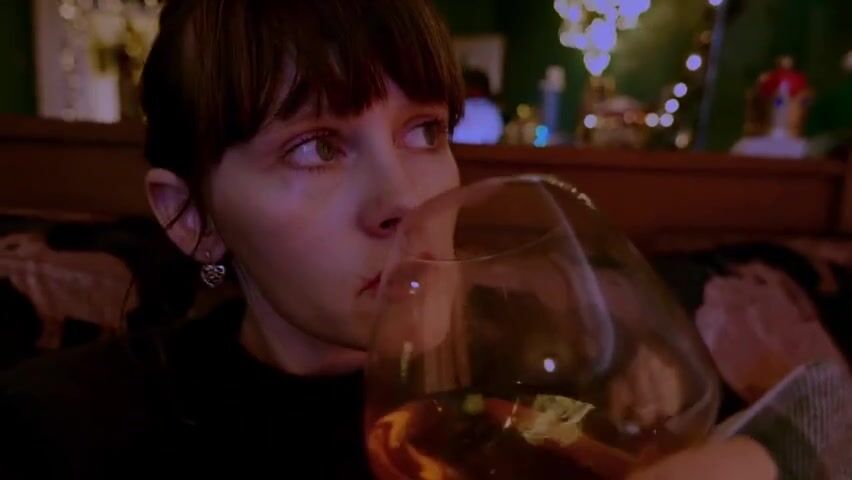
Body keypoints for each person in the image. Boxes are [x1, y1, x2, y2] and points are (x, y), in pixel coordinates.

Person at [0, 1, 778, 479]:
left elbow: (812, 416)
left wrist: (763, 457)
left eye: (425, 130)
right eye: (316, 146)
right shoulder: (70, 430)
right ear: (189, 218)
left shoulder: (547, 347)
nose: (408, 200)